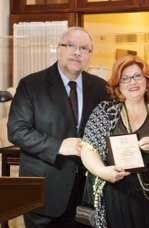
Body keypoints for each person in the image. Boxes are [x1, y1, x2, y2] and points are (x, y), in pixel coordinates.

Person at [7, 27, 109, 228]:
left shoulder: (101, 88)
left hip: (86, 195)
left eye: (84, 48)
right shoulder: (31, 84)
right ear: (58, 49)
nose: (77, 52)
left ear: (89, 55)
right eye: (70, 45)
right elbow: (17, 131)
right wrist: (60, 146)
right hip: (44, 194)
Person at [80, 55, 149, 228]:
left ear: (147, 80)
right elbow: (87, 148)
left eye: (137, 76)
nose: (132, 82)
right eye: (125, 78)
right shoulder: (105, 111)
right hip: (116, 198)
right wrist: (102, 170)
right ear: (118, 85)